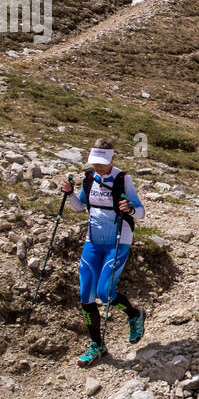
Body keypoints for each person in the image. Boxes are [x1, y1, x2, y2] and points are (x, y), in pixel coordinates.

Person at [60, 139, 147, 366]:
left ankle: (134, 314)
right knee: (86, 295)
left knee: (105, 292)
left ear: (112, 159)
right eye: (95, 162)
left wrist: (130, 208)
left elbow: (141, 213)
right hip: (93, 242)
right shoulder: (89, 179)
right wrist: (70, 195)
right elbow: (80, 206)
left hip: (118, 241)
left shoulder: (122, 179)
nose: (98, 167)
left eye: (102, 163)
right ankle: (97, 345)